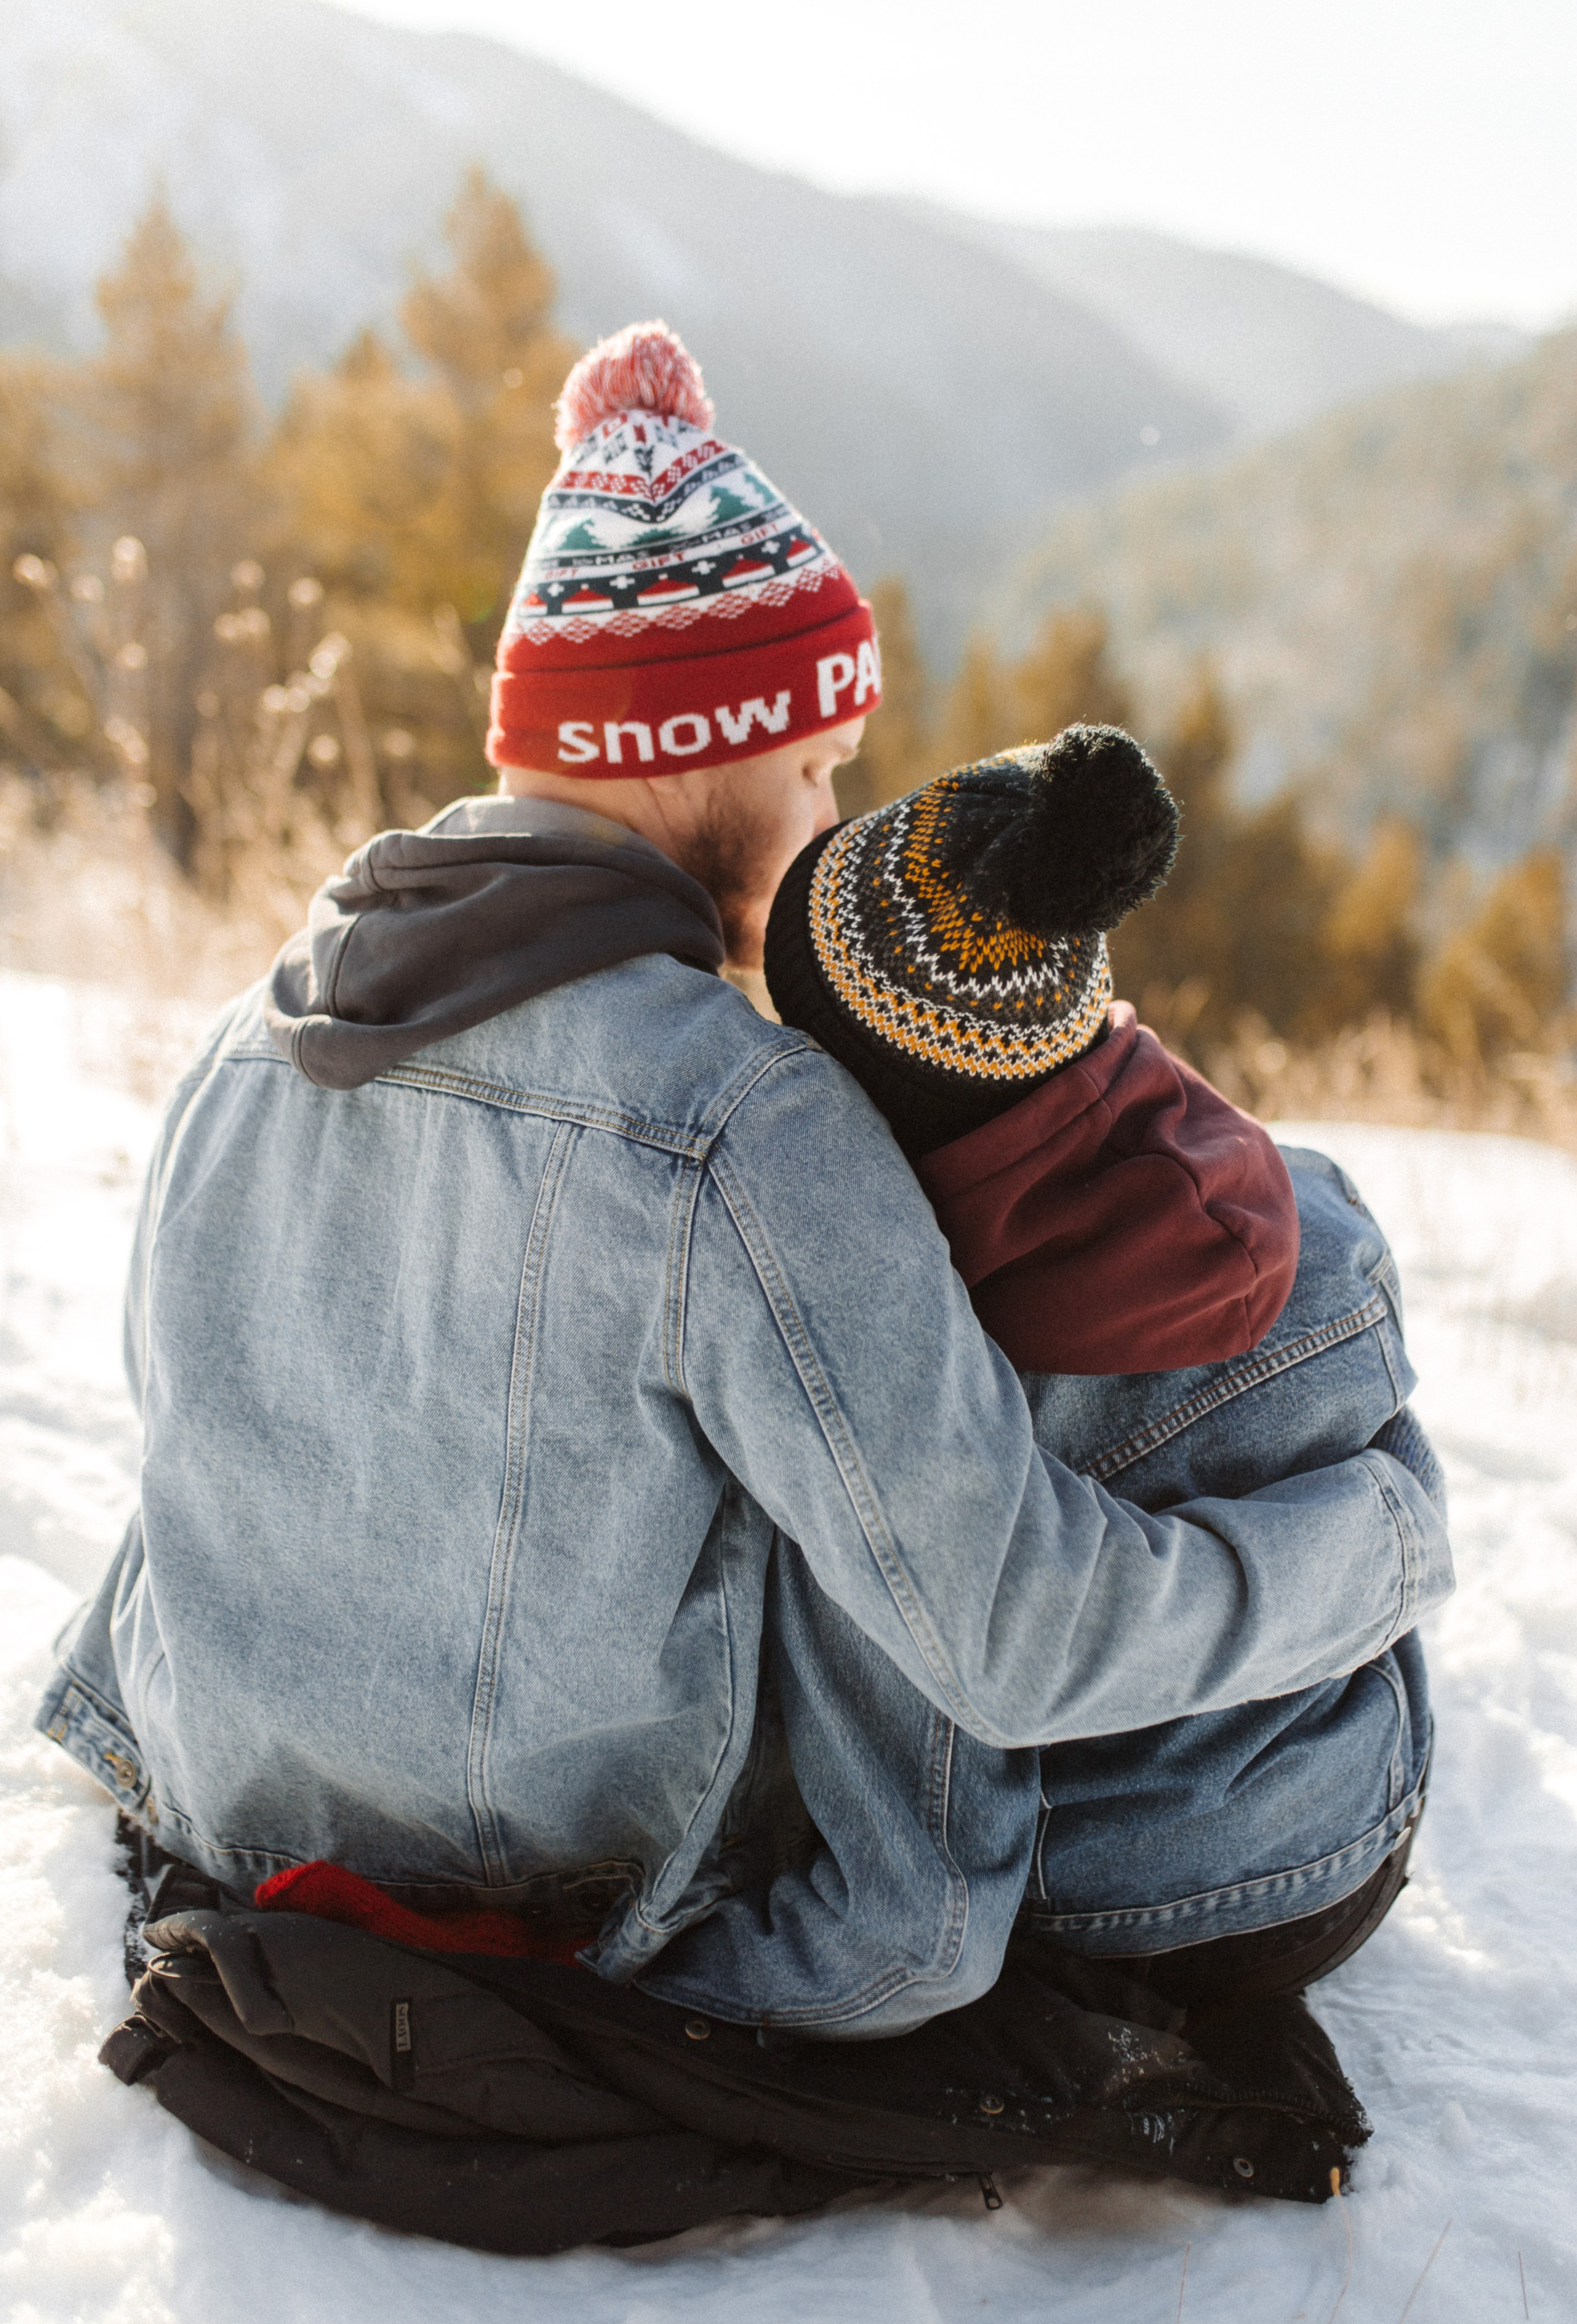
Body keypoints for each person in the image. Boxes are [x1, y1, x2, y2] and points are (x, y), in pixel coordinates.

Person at [38, 325, 1449, 2033]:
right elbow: (1015, 1642)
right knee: (1312, 1280)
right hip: (588, 1874)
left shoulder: (238, 1043)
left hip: (237, 1802)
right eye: (816, 767)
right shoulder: (735, 1117)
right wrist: (1378, 1544)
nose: (830, 810)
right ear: (695, 752)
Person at [637, 731, 1438, 2033]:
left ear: (867, 1093)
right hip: (1355, 1839)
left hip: (1117, 1915)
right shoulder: (1320, 1211)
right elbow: (1381, 1506)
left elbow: (926, 1822)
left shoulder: (940, 1368)